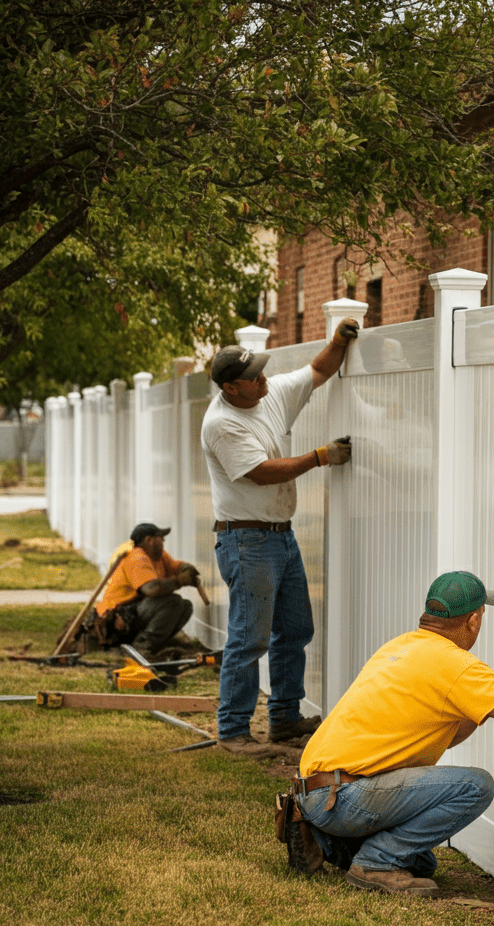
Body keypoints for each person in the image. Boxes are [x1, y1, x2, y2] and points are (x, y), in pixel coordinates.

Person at [290, 570, 494, 897]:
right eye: (481, 617)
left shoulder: (401, 646)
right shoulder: (456, 664)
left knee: (421, 863)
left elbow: (450, 734)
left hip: (316, 791)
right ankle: (374, 862)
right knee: (476, 785)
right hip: (344, 798)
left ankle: (328, 840)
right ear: (472, 621)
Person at [201, 319, 359, 757]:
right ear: (232, 388)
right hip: (246, 542)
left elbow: (318, 371)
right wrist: (320, 457)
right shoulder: (222, 424)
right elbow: (260, 473)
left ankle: (285, 720)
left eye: (263, 373)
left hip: (279, 538)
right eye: (254, 378)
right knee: (249, 637)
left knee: (295, 628)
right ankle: (233, 731)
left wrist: (338, 340)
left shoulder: (268, 395)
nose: (264, 380)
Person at [93, 523, 202, 657]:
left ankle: (153, 643)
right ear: (149, 540)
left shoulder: (158, 556)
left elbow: (175, 566)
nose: (163, 541)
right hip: (116, 620)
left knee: (185, 606)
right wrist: (180, 581)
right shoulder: (137, 558)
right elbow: (151, 589)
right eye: (160, 538)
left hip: (134, 613)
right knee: (173, 602)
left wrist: (186, 568)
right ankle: (141, 647)